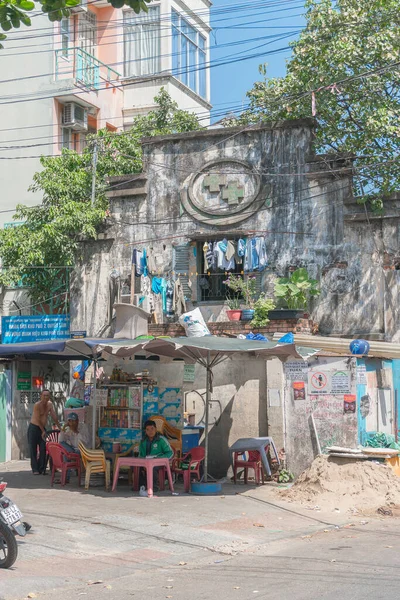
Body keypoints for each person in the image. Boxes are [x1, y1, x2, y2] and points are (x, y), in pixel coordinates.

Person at [28, 389, 61, 475]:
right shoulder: (37, 405)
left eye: (47, 395)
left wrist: (60, 427)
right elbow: (38, 420)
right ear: (41, 396)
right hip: (34, 428)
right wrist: (43, 431)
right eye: (44, 395)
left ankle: (42, 468)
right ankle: (35, 469)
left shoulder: (49, 404)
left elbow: (54, 416)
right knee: (33, 449)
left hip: (42, 429)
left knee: (43, 448)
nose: (46, 397)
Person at [138, 420, 174, 493]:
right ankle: (141, 486)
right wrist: (141, 462)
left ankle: (154, 487)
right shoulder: (143, 441)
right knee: (135, 467)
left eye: (152, 429)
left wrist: (160, 458)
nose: (150, 431)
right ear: (145, 431)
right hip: (146, 462)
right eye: (147, 430)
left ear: (156, 429)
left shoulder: (161, 440)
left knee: (152, 467)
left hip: (159, 462)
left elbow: (170, 452)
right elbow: (141, 455)